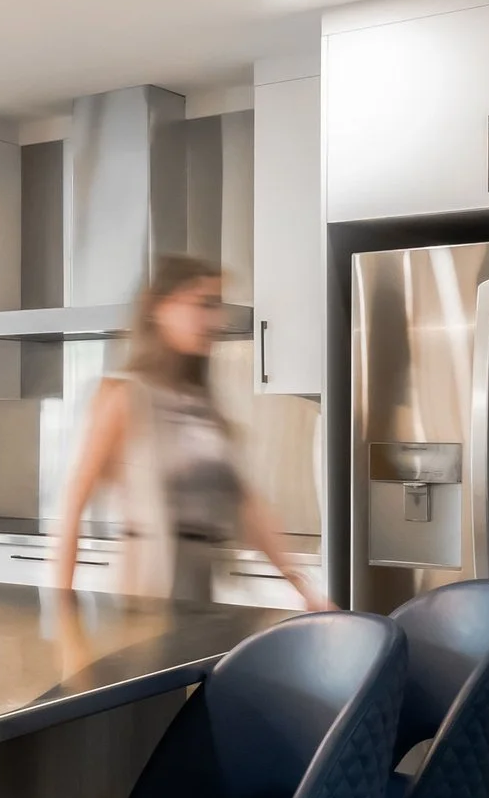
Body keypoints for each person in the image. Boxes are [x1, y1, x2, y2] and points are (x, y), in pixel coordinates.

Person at [55, 254, 329, 610]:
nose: (215, 320)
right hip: (145, 595)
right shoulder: (125, 396)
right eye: (204, 304)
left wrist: (304, 590)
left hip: (201, 592)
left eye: (216, 306)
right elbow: (75, 502)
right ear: (159, 308)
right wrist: (63, 608)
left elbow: (246, 506)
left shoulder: (201, 404)